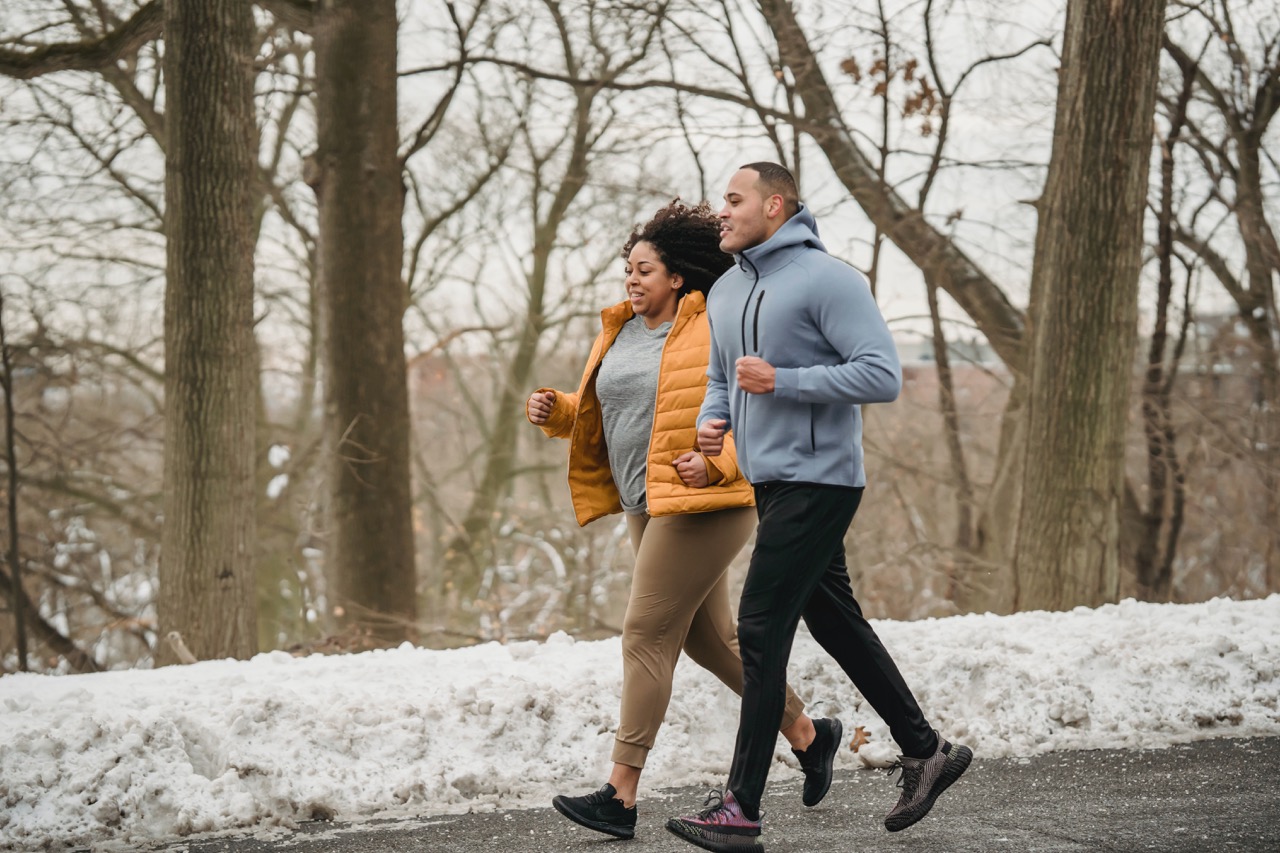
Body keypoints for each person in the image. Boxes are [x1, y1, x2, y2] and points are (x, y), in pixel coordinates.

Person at [665, 164, 973, 853]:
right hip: (768, 478)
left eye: (735, 201)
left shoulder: (829, 279)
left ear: (774, 206)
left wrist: (784, 381)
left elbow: (881, 373)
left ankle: (741, 806)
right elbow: (722, 375)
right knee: (834, 619)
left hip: (822, 477)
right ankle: (926, 750)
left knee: (759, 623)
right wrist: (714, 423)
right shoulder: (729, 288)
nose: (723, 211)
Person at [527, 200, 841, 841]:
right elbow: (610, 408)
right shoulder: (618, 330)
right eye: (628, 271)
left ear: (677, 276)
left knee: (644, 633)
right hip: (649, 503)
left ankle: (619, 794)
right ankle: (808, 733)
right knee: (708, 642)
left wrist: (719, 466)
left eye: (645, 270)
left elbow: (745, 411)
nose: (632, 281)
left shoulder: (710, 327)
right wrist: (557, 410)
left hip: (708, 501)